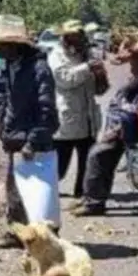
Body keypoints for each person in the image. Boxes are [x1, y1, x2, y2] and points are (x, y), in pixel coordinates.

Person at [0, 14, 60, 250]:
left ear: (13, 45)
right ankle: (17, 233)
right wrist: (5, 132)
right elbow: (4, 103)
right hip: (15, 139)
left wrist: (33, 141)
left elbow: (47, 110)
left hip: (34, 142)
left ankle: (47, 240)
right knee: (14, 191)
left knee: (40, 194)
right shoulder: (8, 68)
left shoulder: (38, 69)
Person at [72, 41, 138, 216]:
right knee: (102, 161)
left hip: (127, 127)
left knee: (97, 155)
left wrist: (116, 129)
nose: (130, 64)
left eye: (132, 60)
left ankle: (93, 203)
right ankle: (93, 198)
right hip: (122, 125)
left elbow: (137, 110)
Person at [48, 19, 105, 198]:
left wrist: (100, 75)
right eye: (72, 36)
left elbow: (98, 88)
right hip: (68, 117)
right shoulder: (56, 55)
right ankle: (45, 190)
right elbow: (65, 80)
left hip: (88, 117)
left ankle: (82, 193)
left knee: (87, 161)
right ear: (65, 37)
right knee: (60, 164)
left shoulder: (86, 54)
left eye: (79, 36)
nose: (77, 40)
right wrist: (87, 67)